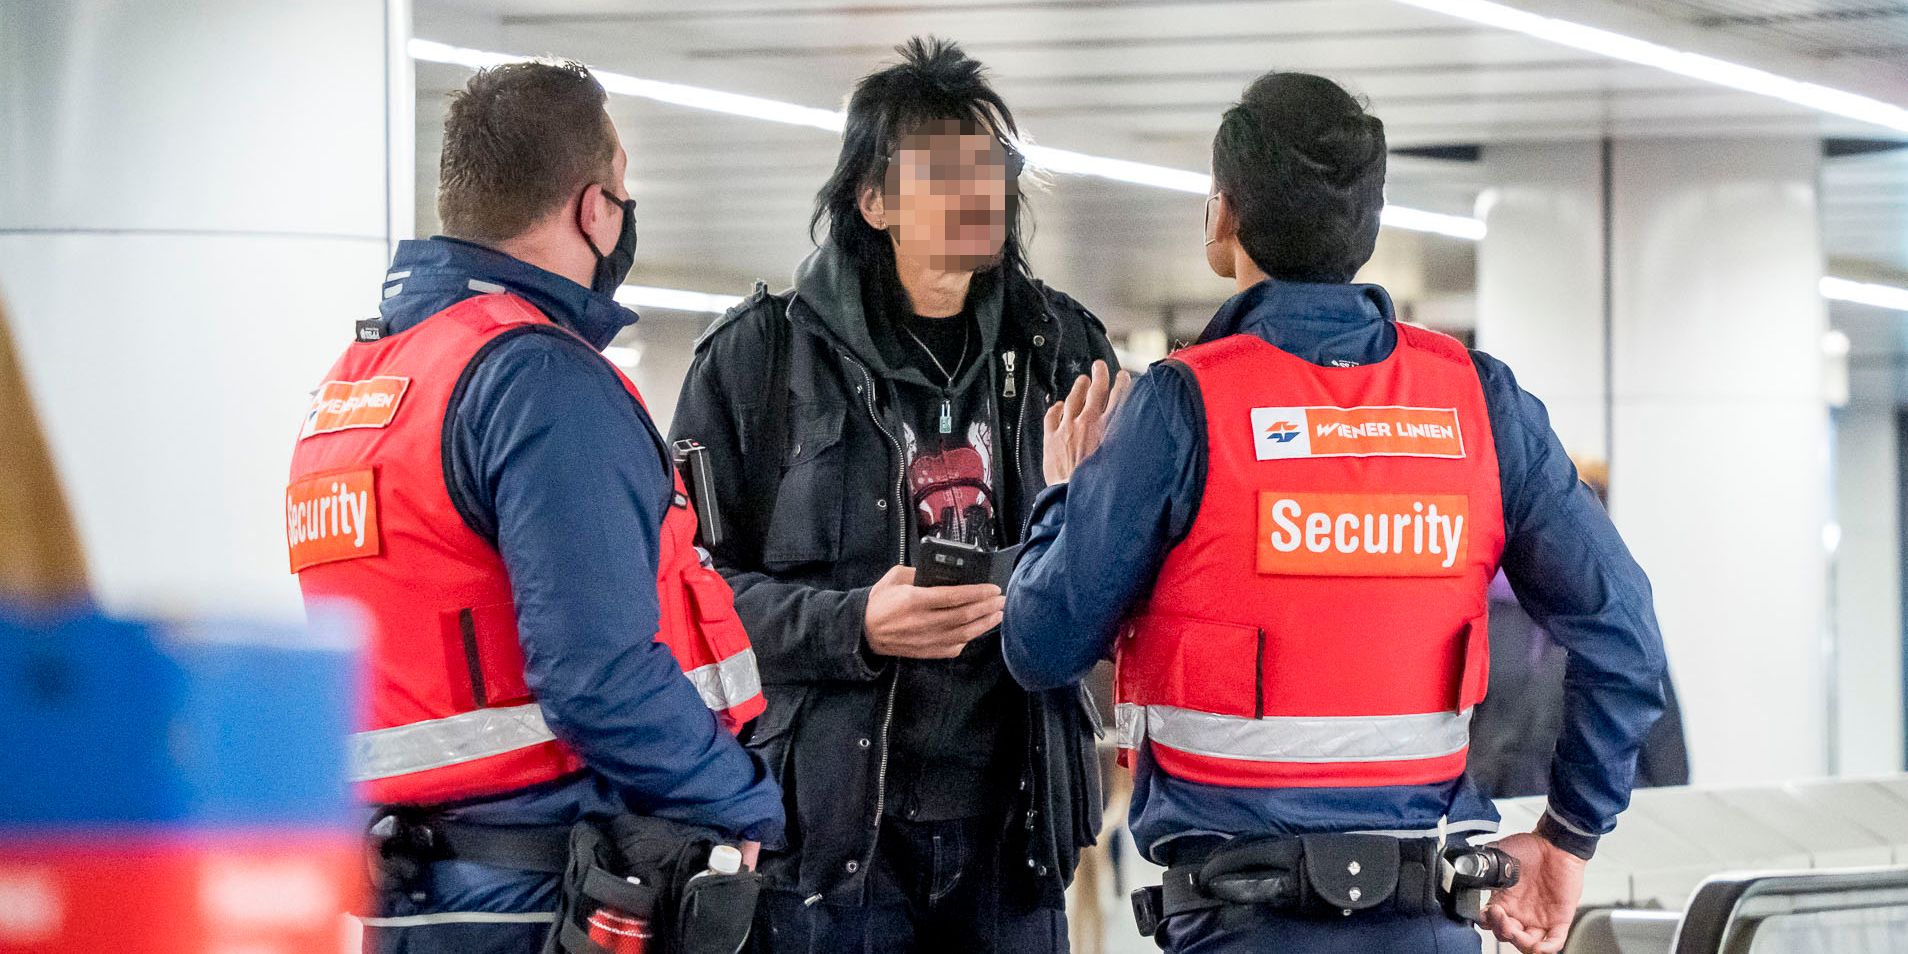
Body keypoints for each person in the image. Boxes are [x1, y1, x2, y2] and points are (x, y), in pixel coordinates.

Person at [1002, 71, 1668, 954]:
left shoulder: (1182, 408)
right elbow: (1623, 632)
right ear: (1369, 224)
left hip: (1242, 927)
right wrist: (1568, 836)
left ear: (1222, 218)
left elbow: (1039, 644)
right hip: (1429, 924)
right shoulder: (1478, 404)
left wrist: (1067, 493)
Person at [285, 61, 783, 954]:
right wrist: (744, 795)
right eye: (623, 195)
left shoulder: (363, 385)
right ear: (594, 208)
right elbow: (598, 676)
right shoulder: (537, 378)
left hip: (413, 892)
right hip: (542, 888)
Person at [670, 36, 1115, 954]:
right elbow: (687, 599)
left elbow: (1127, 574)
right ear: (873, 202)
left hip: (1015, 828)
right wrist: (853, 626)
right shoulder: (758, 363)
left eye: (991, 169)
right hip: (832, 843)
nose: (978, 194)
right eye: (944, 174)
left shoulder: (1062, 352)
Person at [1469, 459, 1691, 799]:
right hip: (1506, 816)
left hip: (1594, 822)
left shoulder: (1619, 614)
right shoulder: (1480, 610)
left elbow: (1663, 744)